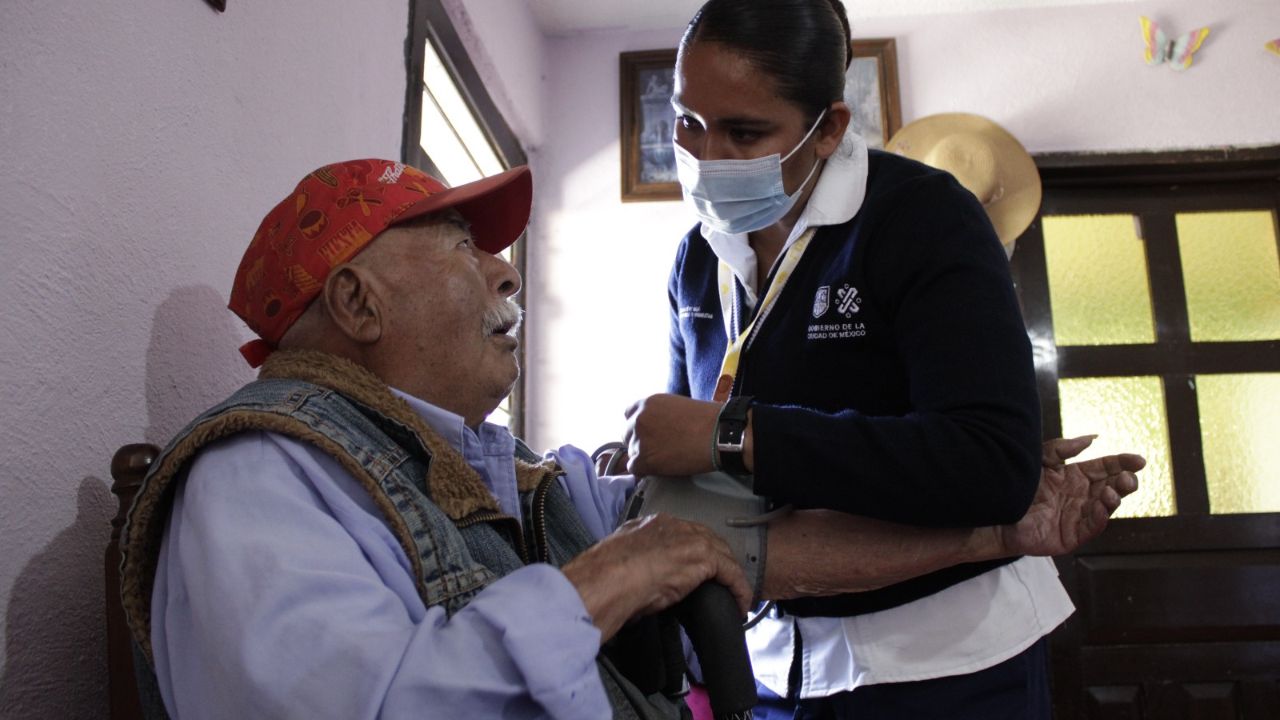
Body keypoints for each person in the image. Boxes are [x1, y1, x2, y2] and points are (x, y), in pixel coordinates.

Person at [118, 156, 1137, 720]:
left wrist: (990, 524)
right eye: (465, 249)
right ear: (356, 301)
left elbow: (755, 545)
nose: (506, 274)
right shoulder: (261, 475)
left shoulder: (507, 477)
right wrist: (599, 584)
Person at [621, 0, 1138, 718]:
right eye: (687, 122)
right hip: (776, 668)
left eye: (745, 133)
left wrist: (737, 434)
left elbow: (989, 465)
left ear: (829, 127)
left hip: (949, 662)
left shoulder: (923, 218)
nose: (705, 159)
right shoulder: (696, 259)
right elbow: (700, 479)